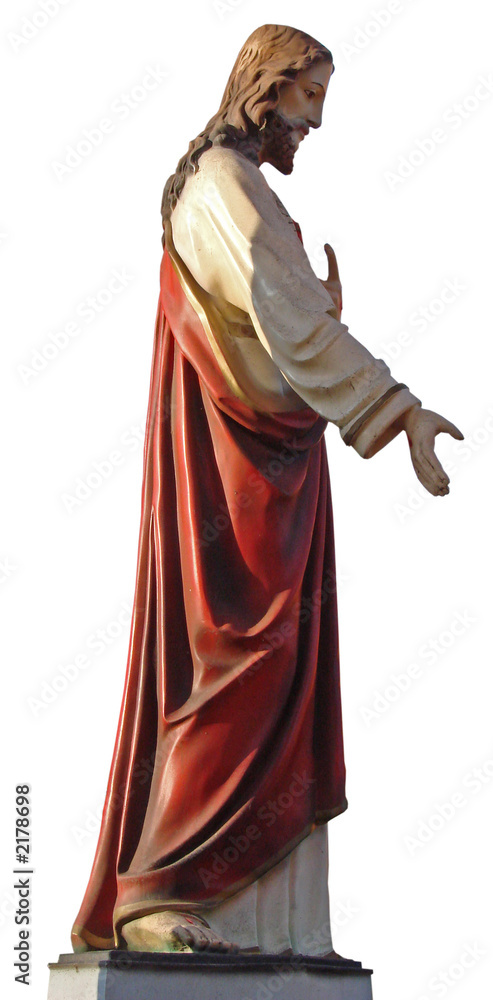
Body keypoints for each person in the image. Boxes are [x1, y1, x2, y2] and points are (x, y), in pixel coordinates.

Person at [71, 24, 462, 958]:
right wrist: (397, 408)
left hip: (271, 472)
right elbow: (284, 318)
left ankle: (265, 923)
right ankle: (158, 892)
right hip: (235, 486)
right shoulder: (221, 187)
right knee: (234, 665)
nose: (314, 122)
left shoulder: (235, 185)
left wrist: (312, 323)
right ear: (264, 88)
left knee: (269, 672)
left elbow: (275, 323)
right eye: (307, 97)